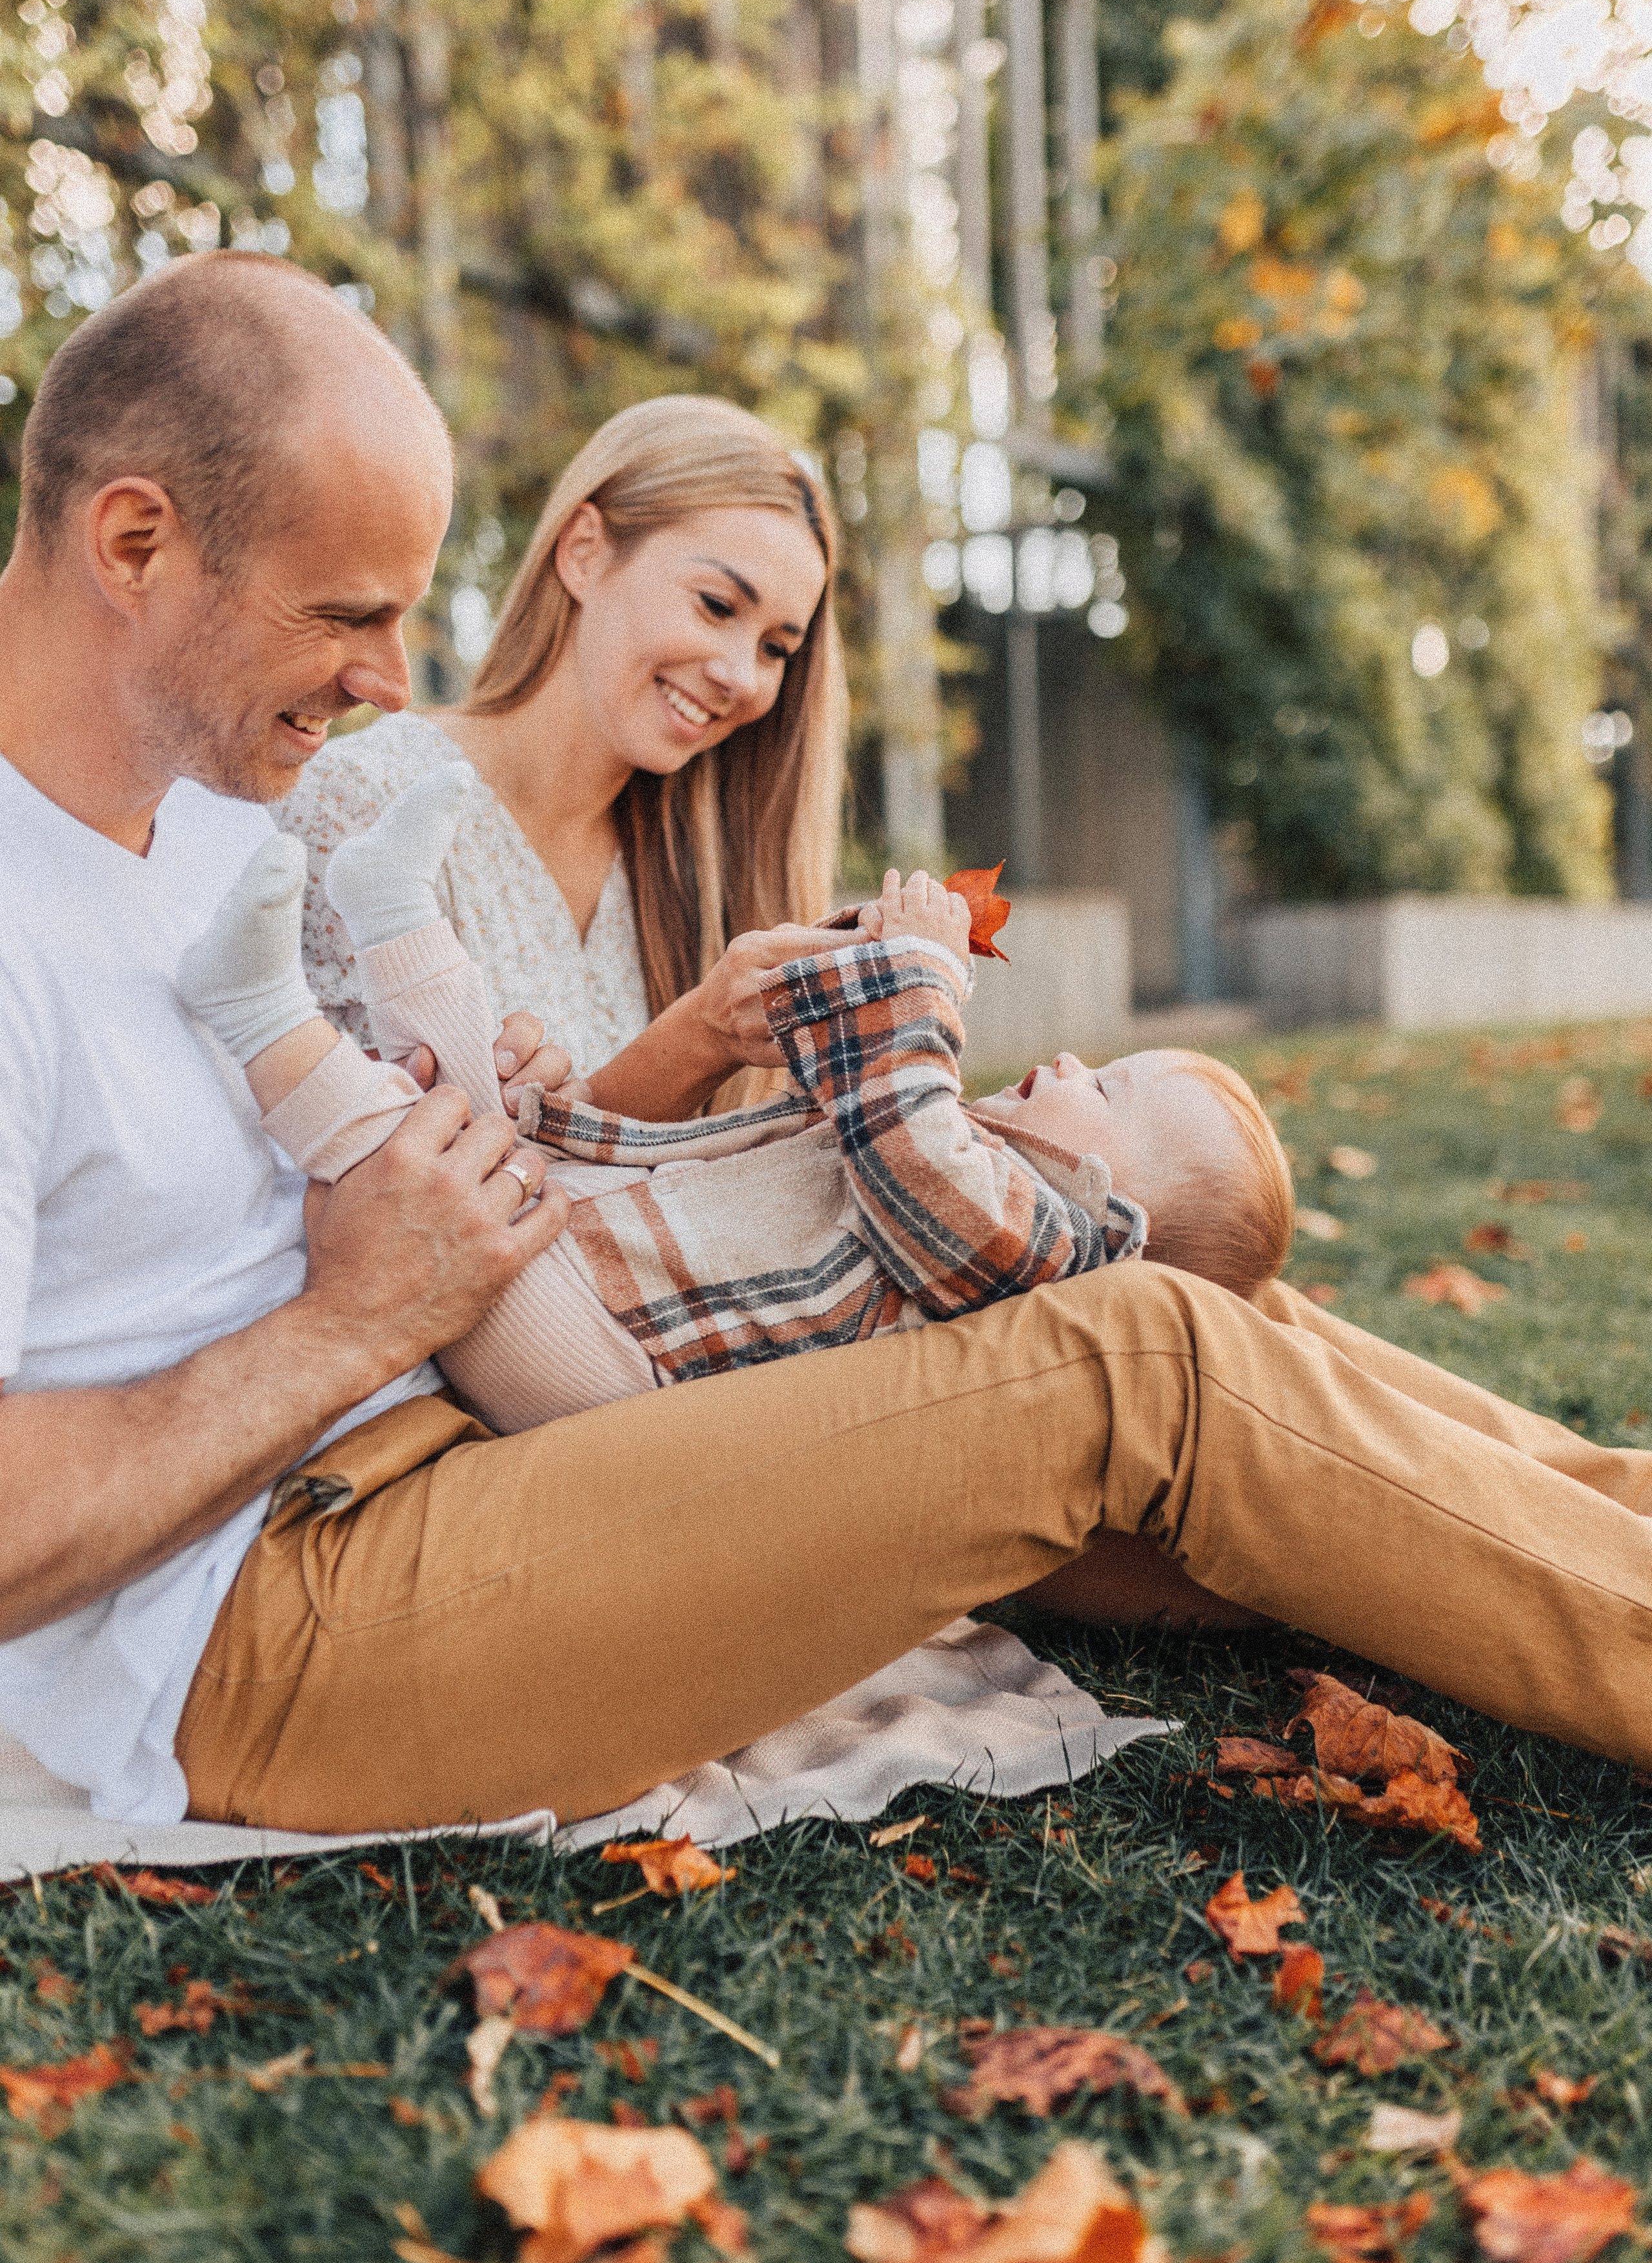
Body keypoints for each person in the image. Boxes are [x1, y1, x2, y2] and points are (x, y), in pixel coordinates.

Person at [4, 256, 1652, 1851]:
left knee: (1165, 1282)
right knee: (1133, 1355)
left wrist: (485, 1097)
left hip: (471, 1420)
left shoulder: (222, 822)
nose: (383, 681)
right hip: (267, 1618)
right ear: (134, 540)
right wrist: (350, 1317)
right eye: (347, 618)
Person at [176, 776, 1293, 1434]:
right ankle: (393, 914)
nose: (1068, 1058)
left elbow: (916, 1145)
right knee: (479, 1117)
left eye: (1108, 1088)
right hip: (601, 1270)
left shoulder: (1034, 1252)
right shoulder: (950, 1153)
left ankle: (263, 1018)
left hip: (610, 1376)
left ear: (1122, 1220)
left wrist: (926, 988)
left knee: (419, 1169)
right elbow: (865, 1099)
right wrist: (860, 958)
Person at [276, 392, 849, 1117]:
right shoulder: (356, 805)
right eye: (716, 605)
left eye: (776, 649)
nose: (741, 675)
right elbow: (380, 1192)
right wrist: (696, 1041)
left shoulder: (706, 870)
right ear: (583, 551)